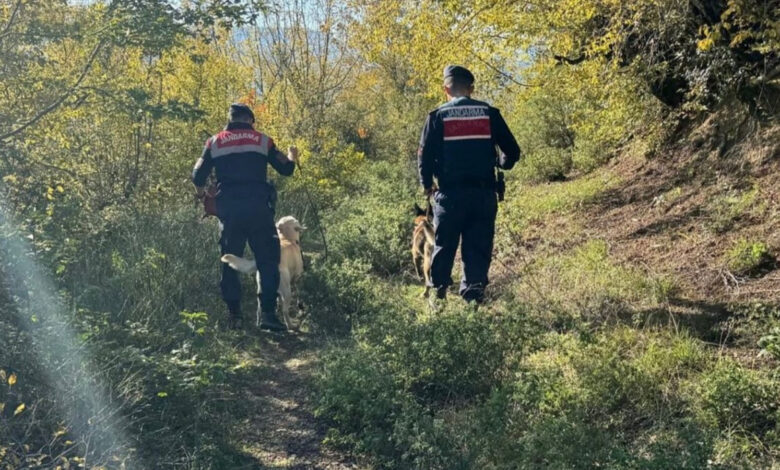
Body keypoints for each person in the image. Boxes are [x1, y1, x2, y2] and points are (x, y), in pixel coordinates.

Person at [417, 65, 521, 304]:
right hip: (483, 195)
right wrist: (501, 163)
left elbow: (423, 155)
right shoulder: (489, 113)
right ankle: (472, 302)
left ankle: (438, 297)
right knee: (477, 249)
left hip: (449, 196)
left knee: (443, 246)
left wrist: (426, 184)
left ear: (446, 89)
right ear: (471, 89)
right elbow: (512, 152)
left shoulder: (437, 116)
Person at [192, 103, 298, 330]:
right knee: (268, 261)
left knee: (230, 260)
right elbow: (287, 169)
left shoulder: (214, 142)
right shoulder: (262, 140)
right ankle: (268, 316)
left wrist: (202, 194)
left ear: (230, 119)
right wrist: (292, 155)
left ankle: (235, 316)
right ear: (250, 120)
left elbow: (197, 174)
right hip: (259, 210)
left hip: (230, 212)